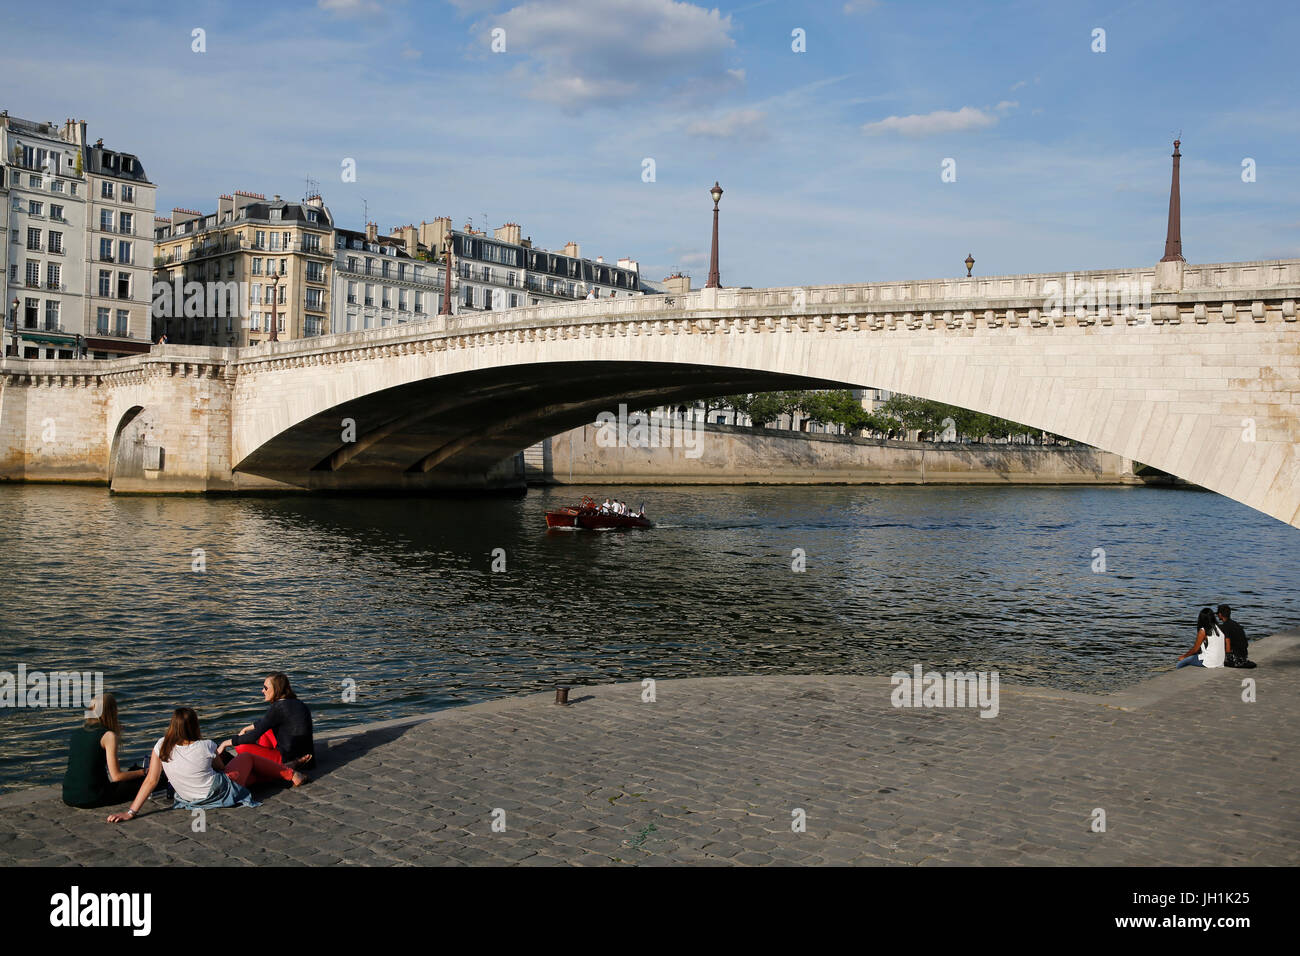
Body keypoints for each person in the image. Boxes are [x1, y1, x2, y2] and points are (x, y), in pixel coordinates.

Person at [106, 707, 303, 823]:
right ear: (194, 726)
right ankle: (291, 773)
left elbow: (150, 780)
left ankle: (283, 773)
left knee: (252, 777)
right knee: (247, 759)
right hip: (216, 792)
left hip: (189, 798)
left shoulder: (161, 746)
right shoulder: (205, 745)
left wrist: (131, 812)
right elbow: (220, 768)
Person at [216, 672, 315, 781]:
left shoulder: (278, 707)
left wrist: (225, 743)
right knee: (266, 731)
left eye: (265, 688)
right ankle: (265, 764)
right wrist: (246, 728)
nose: (262, 690)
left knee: (241, 746)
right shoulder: (298, 703)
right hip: (306, 756)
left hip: (288, 757)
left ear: (276, 689)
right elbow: (265, 722)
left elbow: (252, 737)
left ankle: (274, 768)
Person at [63, 693, 146, 809]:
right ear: (112, 712)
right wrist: (144, 772)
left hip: (68, 796)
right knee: (146, 780)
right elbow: (117, 776)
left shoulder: (77, 733)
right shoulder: (108, 735)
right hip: (93, 797)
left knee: (133, 773)